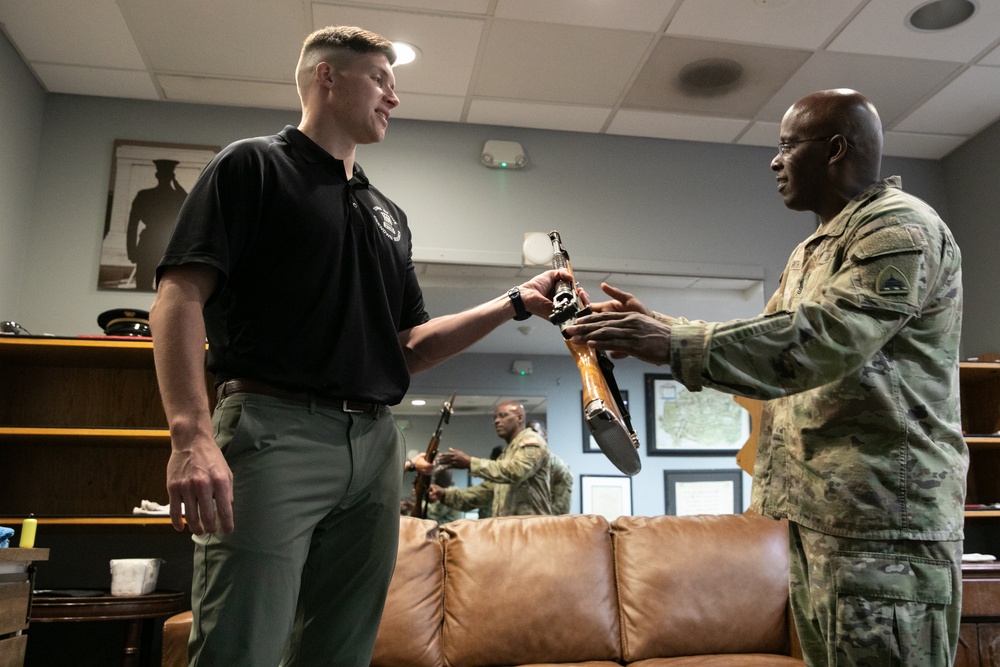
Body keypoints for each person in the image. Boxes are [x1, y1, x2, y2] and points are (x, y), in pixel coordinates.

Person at [149, 26, 568, 667]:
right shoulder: (251, 166)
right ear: (326, 77)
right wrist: (190, 436)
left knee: (339, 650)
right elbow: (179, 298)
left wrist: (515, 302)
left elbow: (411, 346)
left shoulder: (387, 214)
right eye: (381, 78)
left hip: (376, 447)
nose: (394, 98)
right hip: (272, 433)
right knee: (242, 646)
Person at [566, 89, 966, 666]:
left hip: (884, 526)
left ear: (834, 149)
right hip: (823, 519)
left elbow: (827, 337)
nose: (775, 161)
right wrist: (660, 325)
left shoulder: (899, 229)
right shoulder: (814, 248)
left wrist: (673, 343)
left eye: (786, 146)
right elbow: (769, 335)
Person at [429, 401, 553, 517]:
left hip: (530, 530)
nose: (497, 421)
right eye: (495, 418)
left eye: (503, 416)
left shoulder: (531, 441)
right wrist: (445, 495)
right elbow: (484, 492)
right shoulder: (507, 453)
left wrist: (470, 463)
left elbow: (517, 471)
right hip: (510, 529)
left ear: (519, 418)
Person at [125, 159, 188, 291]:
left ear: (157, 175)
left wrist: (132, 251)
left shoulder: (144, 195)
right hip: (163, 246)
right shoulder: (176, 196)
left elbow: (132, 226)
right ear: (171, 176)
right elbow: (188, 200)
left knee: (150, 288)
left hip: (150, 245)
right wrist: (175, 183)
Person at [528, 420, 572, 514]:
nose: (530, 436)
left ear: (544, 434)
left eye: (534, 432)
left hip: (546, 523)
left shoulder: (558, 466)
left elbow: (560, 506)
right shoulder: (523, 465)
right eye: (527, 433)